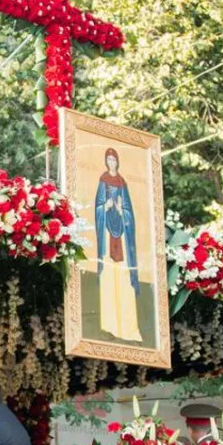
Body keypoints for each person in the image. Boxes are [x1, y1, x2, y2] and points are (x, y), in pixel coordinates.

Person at [94, 147, 142, 342]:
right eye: (109, 160)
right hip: (107, 237)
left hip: (122, 238)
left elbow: (129, 211)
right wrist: (105, 207)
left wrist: (122, 210)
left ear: (118, 162)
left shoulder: (123, 183)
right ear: (106, 162)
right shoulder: (103, 180)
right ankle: (109, 324)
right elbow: (98, 208)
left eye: (114, 160)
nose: (112, 163)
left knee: (123, 280)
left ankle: (129, 328)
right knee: (109, 279)